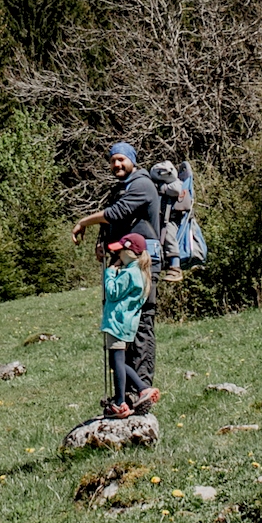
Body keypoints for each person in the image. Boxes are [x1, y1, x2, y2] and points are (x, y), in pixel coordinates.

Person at [71, 142, 160, 404]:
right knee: (122, 329)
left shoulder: (142, 185)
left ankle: (139, 392)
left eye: (121, 159)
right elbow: (114, 220)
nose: (117, 165)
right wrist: (102, 241)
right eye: (112, 161)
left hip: (144, 266)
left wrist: (82, 222)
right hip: (124, 264)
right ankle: (127, 393)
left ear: (132, 160)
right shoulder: (121, 188)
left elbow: (117, 213)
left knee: (141, 326)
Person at [98, 233, 157, 416]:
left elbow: (112, 292)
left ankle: (120, 401)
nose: (118, 255)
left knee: (117, 362)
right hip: (127, 324)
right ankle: (141, 388)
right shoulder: (140, 273)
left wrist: (110, 272)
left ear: (130, 252)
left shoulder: (129, 273)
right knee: (119, 362)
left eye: (120, 251)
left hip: (117, 322)